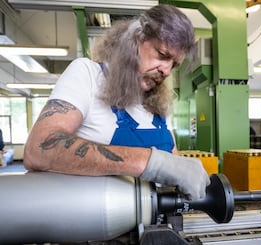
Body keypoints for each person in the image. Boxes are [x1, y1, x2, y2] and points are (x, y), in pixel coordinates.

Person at [23, 4, 210, 201]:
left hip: (157, 225)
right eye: (163, 55)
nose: (166, 70)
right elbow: (38, 149)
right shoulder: (87, 75)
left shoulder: (158, 105)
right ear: (135, 40)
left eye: (174, 65)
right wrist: (150, 162)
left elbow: (172, 161)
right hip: (99, 225)